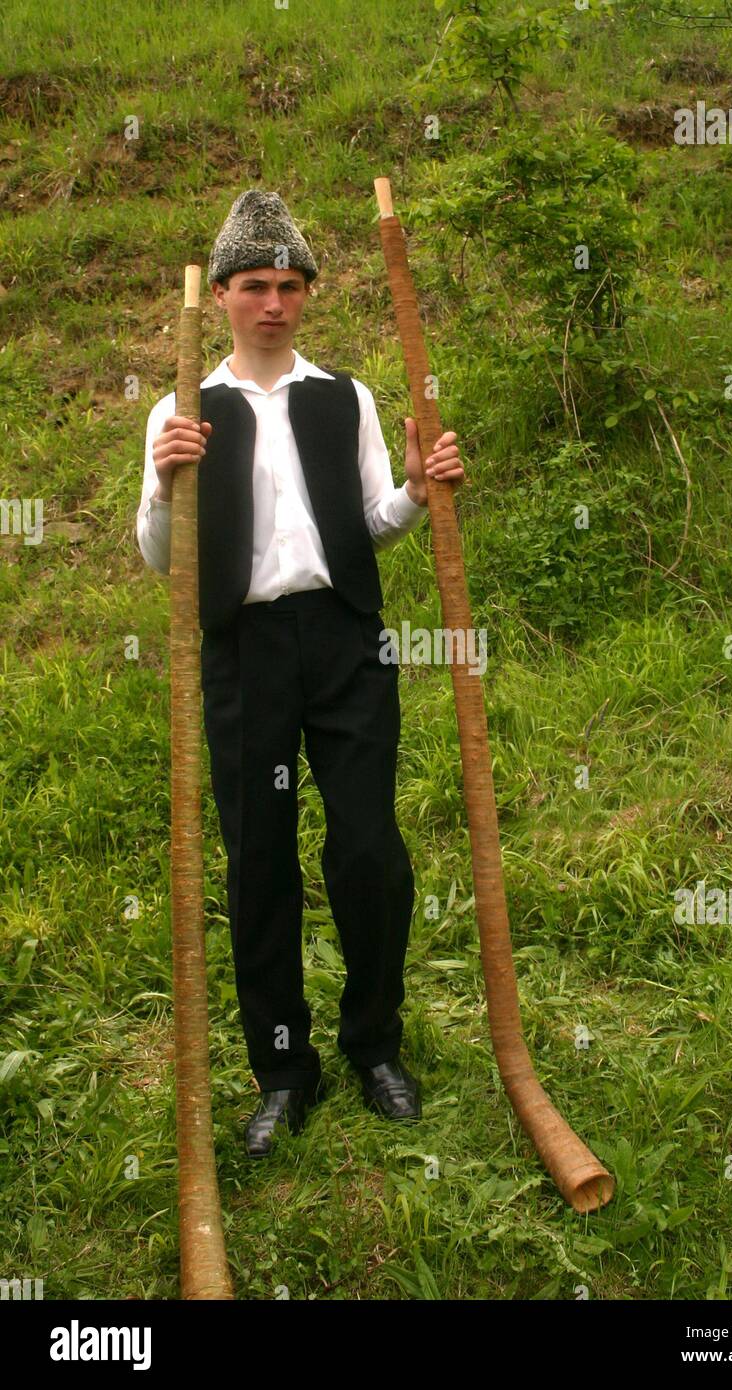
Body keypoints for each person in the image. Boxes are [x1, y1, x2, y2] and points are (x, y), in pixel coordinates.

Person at [136, 190, 464, 1156]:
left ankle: (375, 1047)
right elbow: (163, 558)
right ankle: (283, 1070)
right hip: (245, 653)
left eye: (289, 285)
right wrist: (162, 479)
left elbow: (367, 528)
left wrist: (413, 488)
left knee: (370, 851)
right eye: (252, 286)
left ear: (307, 294)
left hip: (346, 643)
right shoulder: (185, 408)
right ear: (225, 296)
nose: (272, 303)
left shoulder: (344, 397)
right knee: (261, 865)